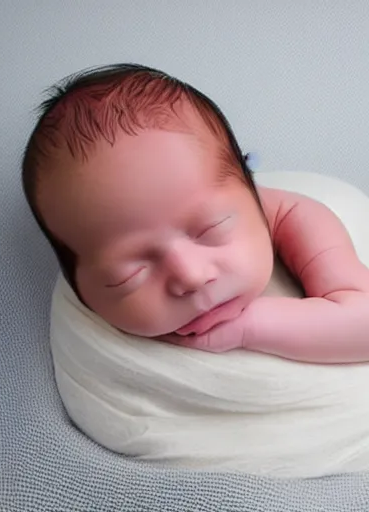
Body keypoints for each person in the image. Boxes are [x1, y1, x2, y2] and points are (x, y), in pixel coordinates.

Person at [22, 63, 369, 364]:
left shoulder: (293, 214)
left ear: (252, 194)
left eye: (212, 229)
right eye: (130, 275)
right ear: (77, 287)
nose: (190, 276)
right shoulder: (88, 343)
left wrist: (249, 328)